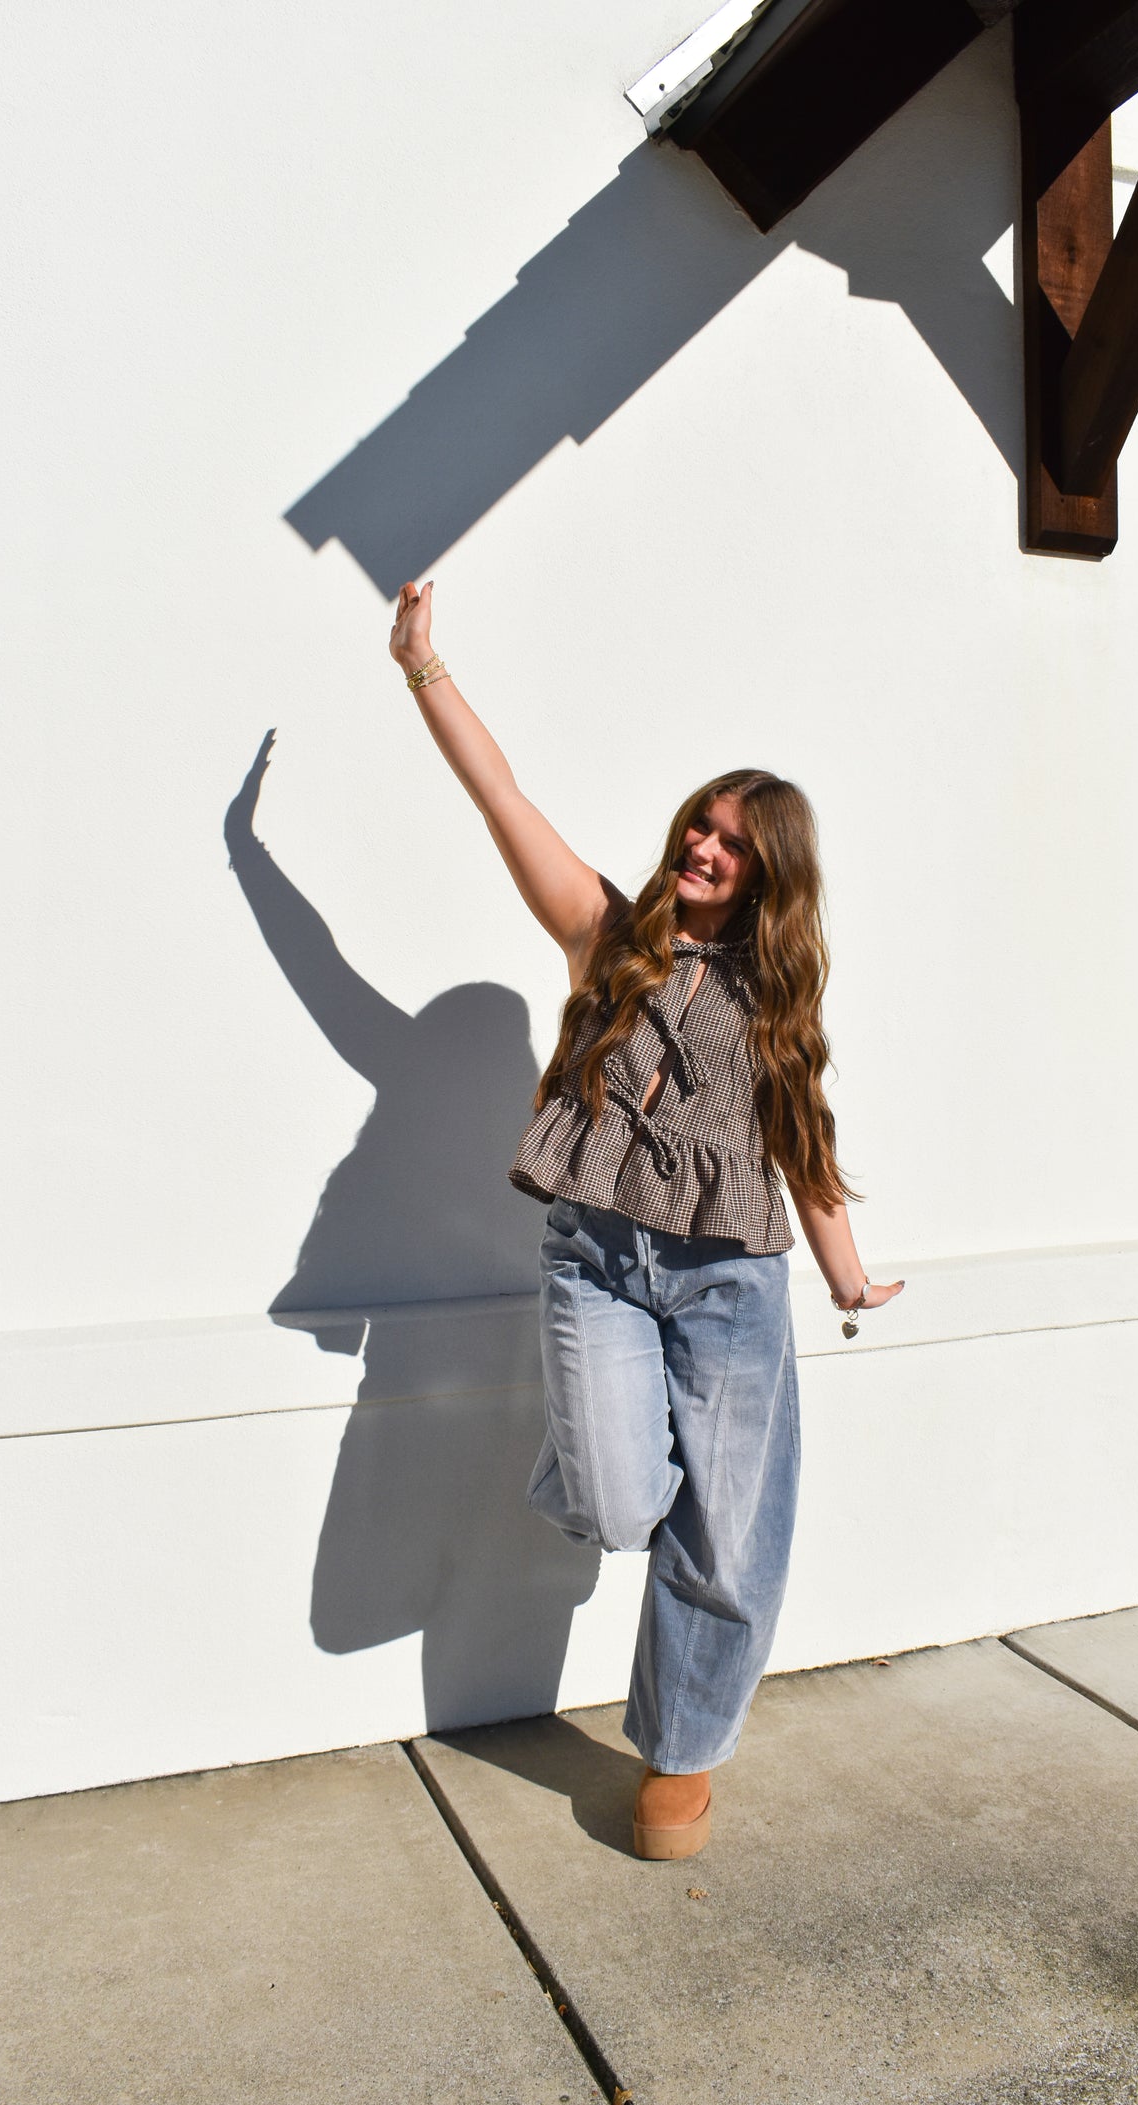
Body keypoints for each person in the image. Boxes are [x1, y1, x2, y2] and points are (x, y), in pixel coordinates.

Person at [389, 579, 903, 1860]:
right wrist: (422, 668)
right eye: (697, 824)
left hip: (732, 1281)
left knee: (728, 1532)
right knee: (624, 1505)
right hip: (600, 1264)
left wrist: (845, 1275)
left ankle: (676, 1754)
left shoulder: (778, 1001)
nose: (705, 845)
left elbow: (803, 1148)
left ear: (765, 867)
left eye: (731, 838)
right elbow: (505, 800)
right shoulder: (605, 936)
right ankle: (596, 1449)